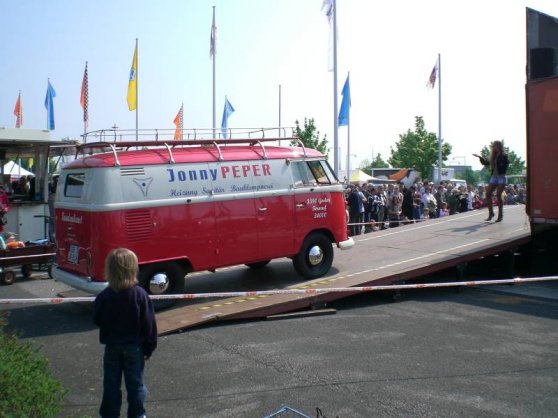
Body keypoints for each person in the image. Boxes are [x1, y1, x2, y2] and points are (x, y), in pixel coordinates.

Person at [94, 248, 157, 418]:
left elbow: (97, 319)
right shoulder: (140, 295)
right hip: (134, 348)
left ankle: (109, 414)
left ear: (109, 270)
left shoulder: (104, 296)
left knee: (111, 385)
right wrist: (149, 348)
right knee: (135, 384)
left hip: (112, 347)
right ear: (133, 269)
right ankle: (137, 414)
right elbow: (149, 325)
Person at [474, 140, 509, 222]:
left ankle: (500, 215)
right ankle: (491, 213)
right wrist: (480, 158)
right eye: (494, 146)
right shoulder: (494, 156)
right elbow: (486, 163)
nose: (494, 147)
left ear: (499, 146)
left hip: (501, 176)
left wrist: (502, 165)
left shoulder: (504, 155)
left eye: (495, 145)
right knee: (488, 193)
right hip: (494, 176)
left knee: (498, 195)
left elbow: (505, 165)